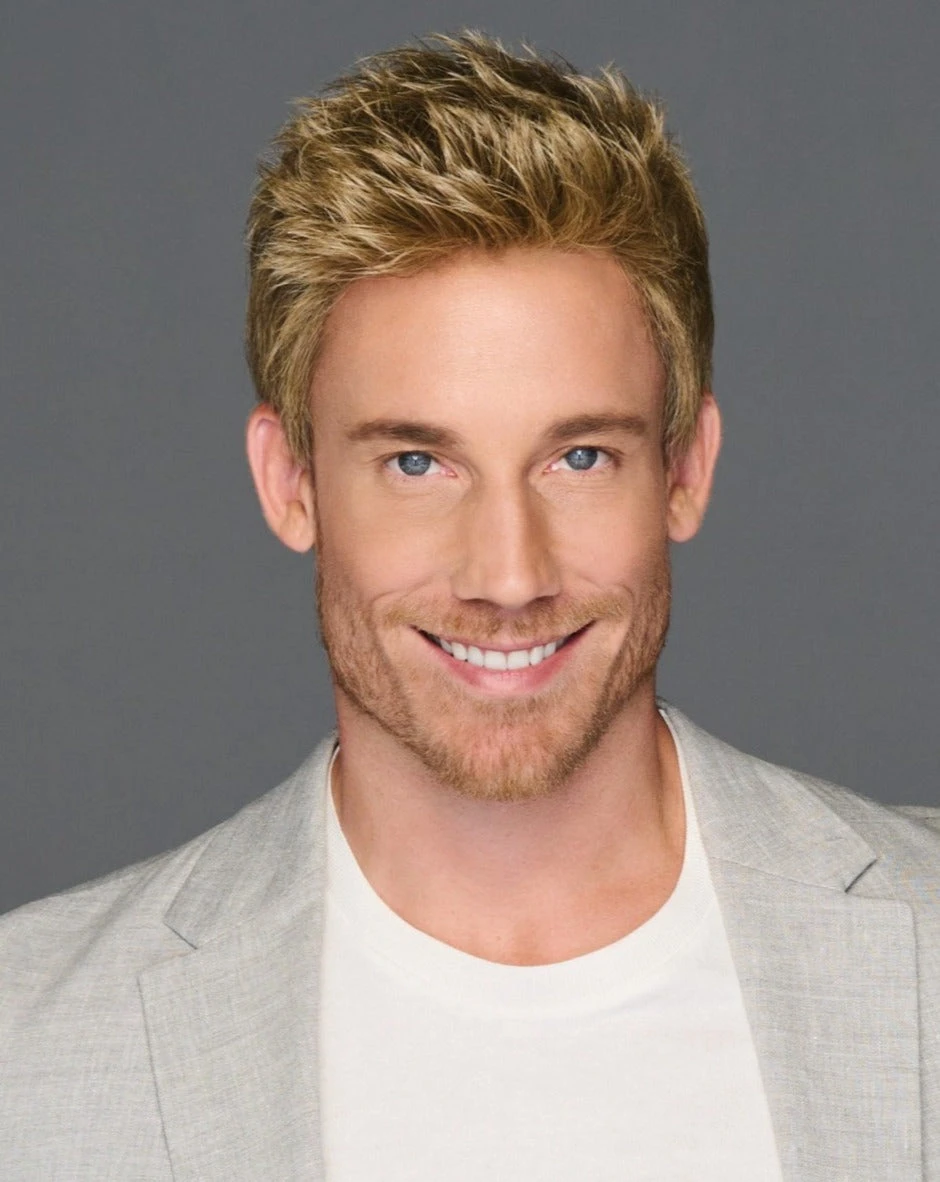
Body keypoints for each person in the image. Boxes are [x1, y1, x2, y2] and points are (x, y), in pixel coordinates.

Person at [1, 31, 937, 1181]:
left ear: (686, 469)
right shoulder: (29, 1046)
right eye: (416, 463)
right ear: (288, 482)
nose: (507, 573)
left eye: (579, 457)